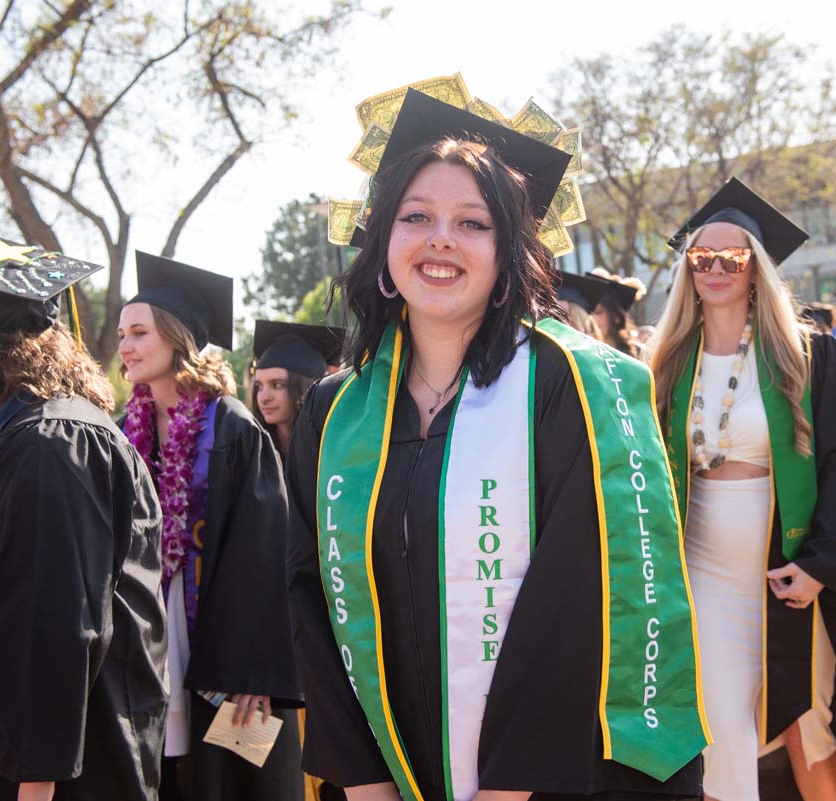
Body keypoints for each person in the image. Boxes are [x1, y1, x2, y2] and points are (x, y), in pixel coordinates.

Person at [288, 86, 708, 801]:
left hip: (551, 778)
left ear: (509, 250)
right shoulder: (335, 412)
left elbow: (585, 600)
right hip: (388, 774)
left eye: (472, 222)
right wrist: (362, 780)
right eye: (415, 216)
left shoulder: (574, 384)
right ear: (382, 242)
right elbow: (310, 597)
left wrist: (509, 789)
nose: (440, 239)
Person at [653, 178, 836, 801]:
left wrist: (821, 567)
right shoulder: (668, 361)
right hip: (701, 569)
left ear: (756, 266)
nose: (716, 268)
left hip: (787, 571)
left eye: (732, 257)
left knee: (807, 728)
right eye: (702, 257)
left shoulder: (808, 356)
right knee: (720, 723)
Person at [0, 235, 167, 800]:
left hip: (37, 780)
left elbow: (52, 631)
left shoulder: (51, 444)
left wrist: (34, 785)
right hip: (7, 763)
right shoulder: (28, 435)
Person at [118, 251, 303, 801]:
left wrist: (253, 670)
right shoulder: (123, 431)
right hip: (147, 627)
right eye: (123, 333)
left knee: (221, 777)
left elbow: (264, 555)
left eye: (138, 332)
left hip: (218, 637)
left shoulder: (232, 428)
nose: (124, 346)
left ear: (176, 338)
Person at [250, 320, 344, 461]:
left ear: (305, 388)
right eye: (259, 386)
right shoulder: (253, 451)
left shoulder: (333, 449)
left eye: (276, 385)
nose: (264, 398)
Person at [587, 267, 644, 357]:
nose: (592, 318)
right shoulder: (586, 355)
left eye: (598, 312)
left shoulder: (640, 354)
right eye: (589, 312)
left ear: (616, 316)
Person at [555, 271, 608, 339]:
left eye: (564, 315)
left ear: (579, 318)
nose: (559, 321)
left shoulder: (597, 349)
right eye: (554, 316)